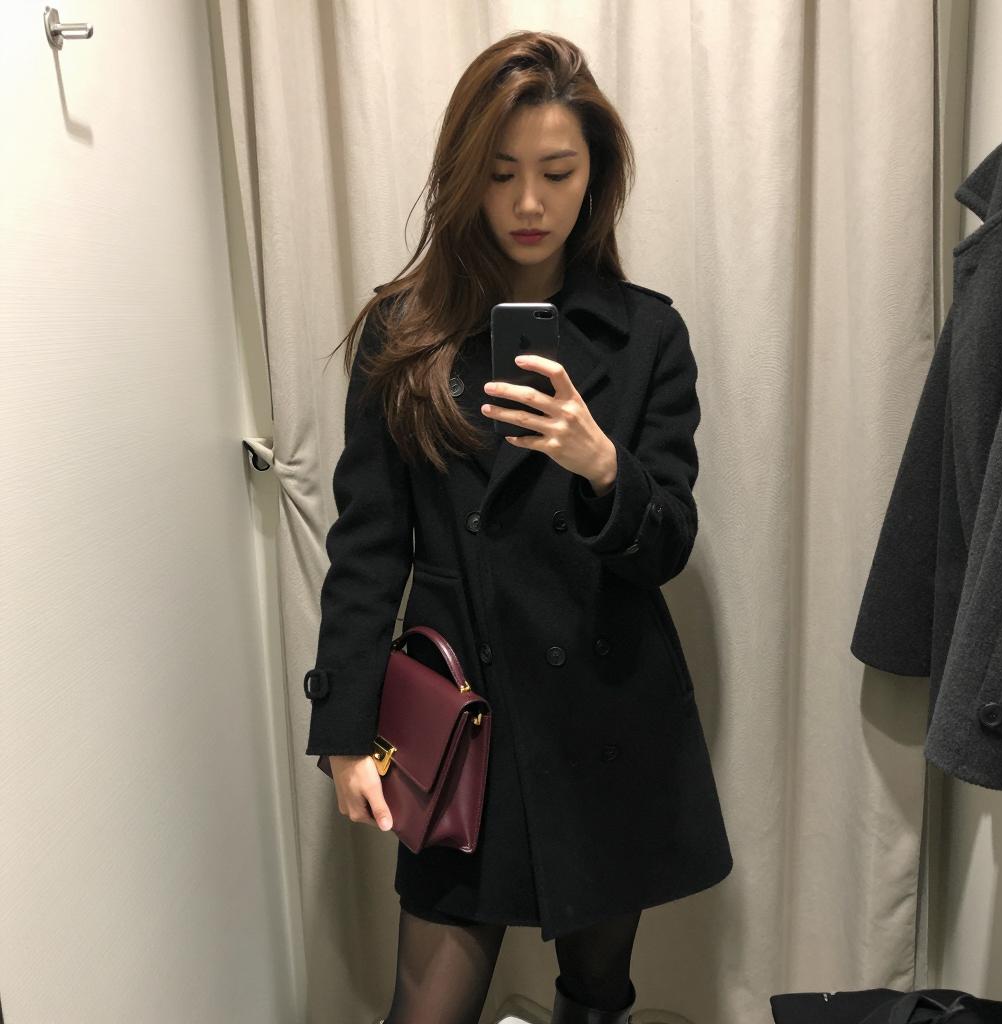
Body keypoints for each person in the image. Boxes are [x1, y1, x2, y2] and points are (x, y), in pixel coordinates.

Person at [304, 29, 733, 1024]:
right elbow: (367, 548)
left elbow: (668, 542)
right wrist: (344, 734)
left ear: (596, 178)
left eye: (557, 172)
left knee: (596, 994)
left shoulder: (647, 335)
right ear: (465, 177)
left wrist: (601, 465)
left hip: (605, 720)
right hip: (463, 722)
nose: (529, 203)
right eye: (501, 174)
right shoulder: (402, 333)